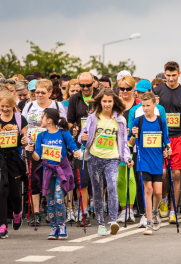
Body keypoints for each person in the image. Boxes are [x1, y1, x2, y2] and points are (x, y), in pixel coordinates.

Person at [79, 88, 133, 236]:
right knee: (97, 191)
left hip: (113, 159)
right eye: (104, 101)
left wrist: (127, 157)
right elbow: (82, 135)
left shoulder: (120, 120)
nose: (107, 104)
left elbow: (123, 142)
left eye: (110, 101)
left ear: (114, 102)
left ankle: (113, 221)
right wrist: (82, 138)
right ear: (100, 102)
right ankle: (101, 224)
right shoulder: (92, 117)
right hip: (94, 158)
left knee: (112, 186)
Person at [28, 108, 81, 239]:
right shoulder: (41, 136)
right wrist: (31, 151)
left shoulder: (64, 133)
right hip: (47, 171)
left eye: (42, 117)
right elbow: (37, 157)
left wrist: (77, 152)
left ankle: (62, 225)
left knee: (58, 199)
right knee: (50, 201)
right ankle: (53, 227)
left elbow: (74, 148)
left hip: (61, 171)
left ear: (49, 120)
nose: (40, 120)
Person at [22, 79, 67, 226]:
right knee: (34, 180)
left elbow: (63, 125)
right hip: (33, 147)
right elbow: (23, 125)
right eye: (37, 92)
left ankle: (50, 209)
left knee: (51, 178)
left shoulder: (57, 106)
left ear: (49, 93)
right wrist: (25, 141)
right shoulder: (29, 106)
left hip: (52, 147)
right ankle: (36, 213)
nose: (39, 95)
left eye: (42, 92)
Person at [154, 61, 181, 223]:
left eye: (173, 75)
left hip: (178, 137)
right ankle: (163, 200)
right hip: (161, 138)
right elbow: (150, 114)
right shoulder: (158, 91)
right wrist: (155, 106)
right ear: (164, 74)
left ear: (179, 74)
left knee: (176, 174)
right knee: (163, 173)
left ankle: (173, 209)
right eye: (168, 76)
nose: (170, 79)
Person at [129, 93, 171, 235]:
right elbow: (130, 142)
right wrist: (134, 134)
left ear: (154, 105)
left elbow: (166, 139)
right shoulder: (138, 121)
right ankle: (148, 223)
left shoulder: (161, 121)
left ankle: (154, 212)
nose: (145, 108)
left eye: (148, 105)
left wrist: (168, 149)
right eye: (143, 105)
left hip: (157, 159)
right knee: (148, 190)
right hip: (144, 159)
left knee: (158, 192)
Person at [0, 91, 28, 239]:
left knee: (14, 193)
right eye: (2, 106)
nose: (4, 109)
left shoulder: (19, 119)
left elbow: (25, 139)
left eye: (7, 106)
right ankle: (3, 225)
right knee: (1, 187)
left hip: (14, 158)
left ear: (13, 105)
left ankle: (17, 212)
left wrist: (25, 141)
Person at [67, 72, 100, 226]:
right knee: (83, 179)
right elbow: (70, 121)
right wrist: (73, 130)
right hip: (82, 143)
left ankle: (99, 209)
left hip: (100, 143)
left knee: (100, 180)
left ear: (94, 83)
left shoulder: (101, 96)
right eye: (82, 85)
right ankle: (83, 212)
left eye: (88, 85)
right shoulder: (75, 99)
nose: (85, 88)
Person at [116, 75, 140, 223]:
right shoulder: (114, 104)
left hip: (133, 144)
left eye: (128, 89)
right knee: (120, 179)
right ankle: (122, 209)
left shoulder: (138, 105)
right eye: (122, 89)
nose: (125, 92)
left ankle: (130, 210)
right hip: (116, 144)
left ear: (133, 90)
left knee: (131, 177)